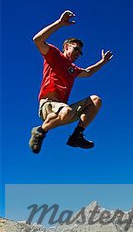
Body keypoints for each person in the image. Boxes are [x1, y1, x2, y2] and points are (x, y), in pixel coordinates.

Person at [29, 10, 113, 154]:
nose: (77, 54)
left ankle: (76, 136)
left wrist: (103, 62)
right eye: (75, 49)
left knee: (95, 100)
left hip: (62, 111)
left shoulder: (73, 69)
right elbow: (37, 40)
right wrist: (60, 23)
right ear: (66, 46)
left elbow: (88, 72)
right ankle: (39, 132)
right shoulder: (54, 55)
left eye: (80, 52)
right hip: (47, 104)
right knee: (66, 111)